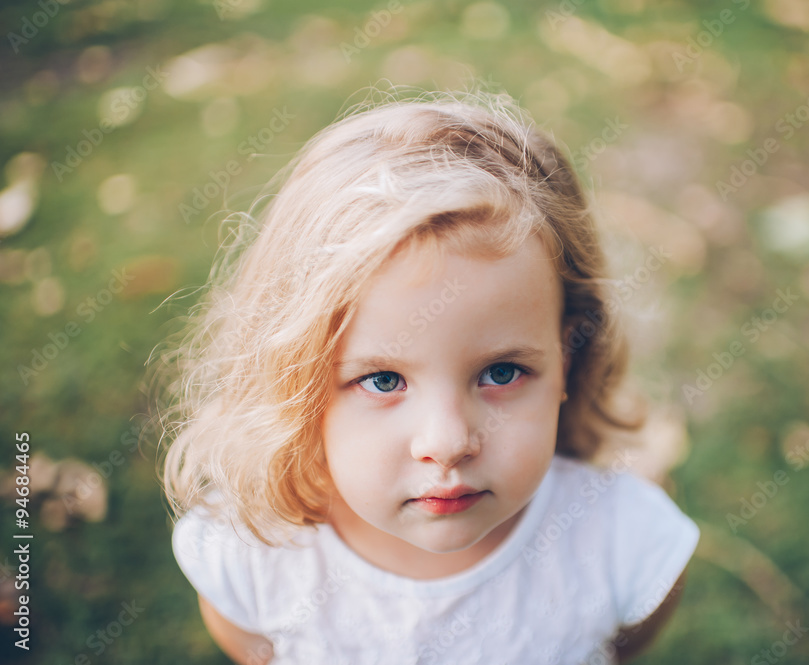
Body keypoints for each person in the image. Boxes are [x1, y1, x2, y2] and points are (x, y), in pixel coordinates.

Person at [155, 89, 699, 665]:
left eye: (502, 371)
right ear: (298, 381)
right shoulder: (257, 557)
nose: (447, 442)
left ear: (568, 356)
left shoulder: (622, 544)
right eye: (383, 381)